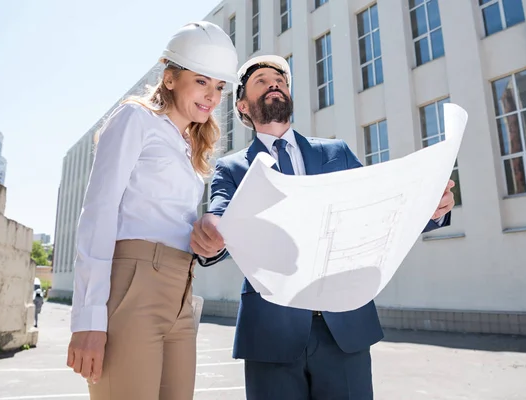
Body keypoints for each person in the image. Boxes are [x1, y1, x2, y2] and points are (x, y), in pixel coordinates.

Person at [191, 55, 455, 400]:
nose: (275, 84)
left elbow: (378, 210)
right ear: (242, 104)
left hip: (344, 328)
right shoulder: (231, 168)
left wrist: (429, 209)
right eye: (262, 81)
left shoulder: (336, 152)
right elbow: (219, 221)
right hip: (271, 331)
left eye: (281, 81)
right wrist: (211, 235)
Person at [65, 21, 238, 400]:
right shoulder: (135, 119)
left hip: (181, 286)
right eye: (202, 81)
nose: (212, 97)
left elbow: (167, 218)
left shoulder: (190, 146)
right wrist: (88, 319)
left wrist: (203, 237)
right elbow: (98, 211)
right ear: (171, 78)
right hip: (134, 282)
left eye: (219, 87)